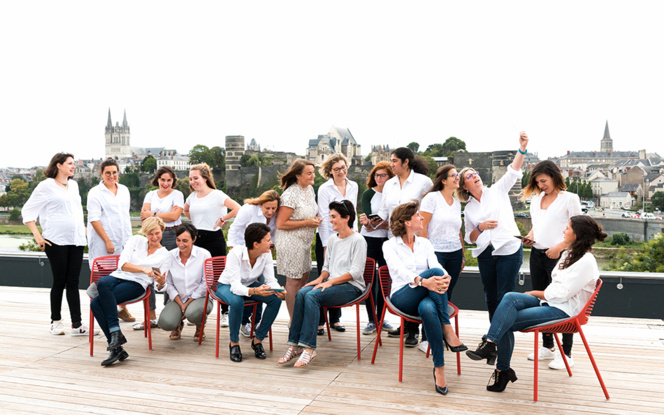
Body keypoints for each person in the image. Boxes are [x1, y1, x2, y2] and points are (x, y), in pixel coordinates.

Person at [466, 216, 606, 392]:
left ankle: (500, 366)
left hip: (564, 311)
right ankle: (490, 344)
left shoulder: (586, 262)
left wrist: (534, 293)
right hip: (551, 302)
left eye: (568, 228)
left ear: (577, 234)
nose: (564, 231)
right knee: (509, 298)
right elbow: (556, 286)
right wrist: (540, 295)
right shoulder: (569, 254)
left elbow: (561, 294)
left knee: (504, 320)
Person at [382, 201, 466, 395]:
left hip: (427, 294)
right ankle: (447, 327)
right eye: (417, 215)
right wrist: (422, 281)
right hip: (402, 296)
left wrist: (445, 277)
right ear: (406, 222)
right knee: (434, 273)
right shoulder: (389, 245)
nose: (421, 218)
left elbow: (437, 266)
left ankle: (439, 369)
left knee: (428, 309)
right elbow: (398, 271)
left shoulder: (425, 243)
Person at [278, 200, 367, 367]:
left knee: (312, 297)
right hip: (333, 283)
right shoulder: (333, 239)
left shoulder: (358, 240)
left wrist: (330, 282)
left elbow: (356, 273)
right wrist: (320, 279)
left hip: (352, 287)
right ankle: (294, 344)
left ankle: (309, 349)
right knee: (303, 292)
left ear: (346, 218)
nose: (330, 220)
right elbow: (326, 267)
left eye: (334, 217)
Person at [457, 132, 529, 322]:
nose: (475, 176)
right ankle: (493, 335)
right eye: (470, 176)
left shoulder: (498, 190)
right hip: (485, 254)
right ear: (465, 186)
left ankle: (499, 338)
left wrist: (521, 148)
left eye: (476, 173)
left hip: (508, 249)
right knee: (490, 296)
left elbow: (513, 170)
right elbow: (470, 238)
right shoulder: (469, 208)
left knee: (504, 296)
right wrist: (480, 227)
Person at [22, 152, 93, 336]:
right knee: (60, 281)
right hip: (55, 241)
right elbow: (28, 211)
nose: (73, 166)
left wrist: (84, 231)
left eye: (73, 164)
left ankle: (77, 325)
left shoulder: (74, 185)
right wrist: (38, 236)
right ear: (59, 165)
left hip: (76, 240)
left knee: (73, 282)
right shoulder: (45, 186)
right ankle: (56, 321)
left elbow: (76, 212)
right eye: (69, 163)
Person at [521, 160, 582, 369]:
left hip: (561, 257)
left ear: (555, 177)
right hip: (537, 255)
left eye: (544, 180)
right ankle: (548, 347)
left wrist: (561, 246)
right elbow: (536, 228)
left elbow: (579, 230)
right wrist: (529, 237)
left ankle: (567, 354)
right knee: (542, 301)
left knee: (562, 303)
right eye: (538, 182)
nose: (541, 185)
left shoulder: (570, 199)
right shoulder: (536, 200)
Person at [371, 147, 432, 347]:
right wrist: (369, 223)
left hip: (416, 240)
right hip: (394, 241)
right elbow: (383, 214)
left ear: (406, 162)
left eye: (395, 161)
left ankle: (415, 330)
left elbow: (429, 210)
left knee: (416, 279)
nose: (391, 164)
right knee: (401, 280)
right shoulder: (388, 184)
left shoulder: (424, 182)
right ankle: (407, 325)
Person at [90, 216, 171, 366]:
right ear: (145, 233)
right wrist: (143, 269)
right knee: (102, 281)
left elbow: (160, 286)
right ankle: (116, 336)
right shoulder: (135, 240)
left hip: (137, 284)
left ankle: (116, 344)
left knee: (96, 304)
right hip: (119, 276)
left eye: (157, 233)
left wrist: (161, 282)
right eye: (150, 233)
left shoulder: (165, 255)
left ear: (162, 231)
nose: (154, 237)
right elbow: (122, 264)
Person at [217, 223, 286, 362]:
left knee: (275, 300)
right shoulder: (235, 254)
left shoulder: (266, 254)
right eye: (268, 240)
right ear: (256, 244)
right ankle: (234, 343)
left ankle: (258, 340)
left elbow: (270, 280)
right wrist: (255, 291)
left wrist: (279, 290)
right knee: (237, 301)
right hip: (227, 285)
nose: (271, 243)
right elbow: (235, 286)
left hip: (248, 284)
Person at [184, 163, 240, 327]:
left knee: (219, 276)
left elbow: (237, 208)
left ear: (205, 178)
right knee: (197, 276)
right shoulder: (192, 197)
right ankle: (198, 313)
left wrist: (222, 219)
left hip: (214, 238)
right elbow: (186, 211)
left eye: (196, 178)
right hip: (196, 239)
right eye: (191, 179)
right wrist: (196, 220)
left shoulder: (217, 195)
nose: (193, 181)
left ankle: (225, 312)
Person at [315, 153, 358, 335]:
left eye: (343, 167)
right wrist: (326, 245)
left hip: (347, 237)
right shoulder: (325, 189)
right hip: (329, 238)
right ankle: (320, 321)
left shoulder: (353, 186)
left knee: (340, 275)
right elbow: (324, 218)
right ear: (329, 172)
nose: (341, 171)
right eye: (336, 169)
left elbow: (353, 213)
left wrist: (355, 236)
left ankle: (336, 319)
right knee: (325, 277)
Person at [227, 189, 280, 337]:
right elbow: (234, 228)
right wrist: (235, 250)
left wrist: (268, 249)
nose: (270, 211)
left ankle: (256, 322)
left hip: (262, 253)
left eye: (273, 208)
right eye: (267, 208)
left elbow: (273, 235)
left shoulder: (277, 214)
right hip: (242, 252)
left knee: (263, 286)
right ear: (260, 204)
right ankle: (244, 323)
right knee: (246, 288)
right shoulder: (248, 210)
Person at [87, 158, 134, 324]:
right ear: (101, 174)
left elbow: (125, 217)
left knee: (122, 275)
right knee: (103, 279)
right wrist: (107, 241)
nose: (111, 175)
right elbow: (94, 219)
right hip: (103, 243)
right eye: (108, 172)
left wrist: (130, 241)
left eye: (114, 172)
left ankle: (121, 308)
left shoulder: (124, 190)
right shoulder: (95, 193)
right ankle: (103, 312)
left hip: (123, 240)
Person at [275, 159, 322, 319]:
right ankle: (293, 321)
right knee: (294, 281)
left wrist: (315, 219)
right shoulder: (290, 195)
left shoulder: (310, 189)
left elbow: (309, 212)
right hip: (290, 242)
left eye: (313, 172)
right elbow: (281, 224)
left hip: (305, 242)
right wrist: (308, 222)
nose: (312, 176)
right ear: (297, 175)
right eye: (308, 173)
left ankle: (300, 316)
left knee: (304, 278)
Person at [138, 165, 185, 322]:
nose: (166, 183)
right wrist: (161, 215)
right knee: (148, 270)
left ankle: (169, 311)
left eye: (169, 180)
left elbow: (175, 216)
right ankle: (151, 315)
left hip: (171, 234)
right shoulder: (150, 194)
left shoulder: (177, 194)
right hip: (153, 234)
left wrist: (154, 214)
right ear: (157, 180)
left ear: (173, 181)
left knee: (169, 272)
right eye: (163, 180)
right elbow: (144, 216)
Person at [357, 161, 395, 335]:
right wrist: (381, 224)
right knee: (370, 281)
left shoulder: (393, 194)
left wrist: (379, 224)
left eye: (383, 175)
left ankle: (382, 318)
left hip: (387, 241)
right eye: (377, 175)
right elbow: (369, 221)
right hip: (369, 241)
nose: (379, 178)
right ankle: (372, 320)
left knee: (385, 281)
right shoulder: (368, 194)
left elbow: (392, 221)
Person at [158, 223, 212, 342]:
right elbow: (169, 284)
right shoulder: (170, 255)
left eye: (185, 241)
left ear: (194, 239)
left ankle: (199, 326)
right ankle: (177, 324)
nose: (181, 244)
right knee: (165, 323)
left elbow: (206, 283)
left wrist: (187, 304)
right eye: (178, 240)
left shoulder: (204, 254)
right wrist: (181, 304)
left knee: (193, 313)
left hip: (200, 298)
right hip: (178, 298)